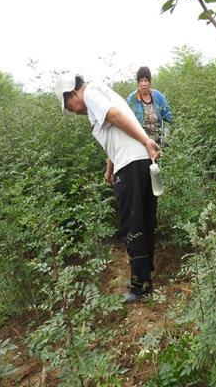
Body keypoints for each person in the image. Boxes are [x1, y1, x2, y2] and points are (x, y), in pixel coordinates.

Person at [55, 73, 161, 304]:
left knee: (132, 223)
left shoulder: (91, 93)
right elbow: (116, 129)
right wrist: (110, 167)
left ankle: (139, 286)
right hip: (139, 161)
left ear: (73, 93)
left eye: (70, 107)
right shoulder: (102, 93)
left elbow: (114, 116)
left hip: (131, 164)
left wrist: (145, 141)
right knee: (143, 219)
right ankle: (146, 279)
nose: (74, 111)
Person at [104, 66, 172, 185]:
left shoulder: (158, 96)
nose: (144, 84)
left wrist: (166, 140)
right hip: (140, 141)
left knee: (159, 172)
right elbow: (124, 120)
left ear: (150, 82)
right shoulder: (132, 99)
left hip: (157, 142)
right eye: (141, 81)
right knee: (145, 174)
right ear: (138, 83)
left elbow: (168, 117)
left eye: (146, 80)